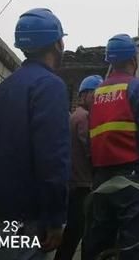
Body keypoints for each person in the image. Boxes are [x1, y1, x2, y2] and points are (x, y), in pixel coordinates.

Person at [0, 8, 70, 260]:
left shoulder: (0, 91)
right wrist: (55, 217)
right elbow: (53, 158)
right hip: (28, 220)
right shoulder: (50, 87)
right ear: (57, 43)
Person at [83, 34, 139, 260]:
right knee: (134, 246)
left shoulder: (97, 93)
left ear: (110, 61)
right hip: (132, 178)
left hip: (101, 180)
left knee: (100, 244)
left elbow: (91, 138)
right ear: (134, 61)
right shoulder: (137, 87)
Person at [54, 75, 103, 260]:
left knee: (74, 235)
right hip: (82, 184)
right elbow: (89, 148)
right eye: (95, 94)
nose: (98, 99)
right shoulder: (84, 117)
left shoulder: (76, 116)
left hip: (75, 183)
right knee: (76, 234)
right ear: (85, 95)